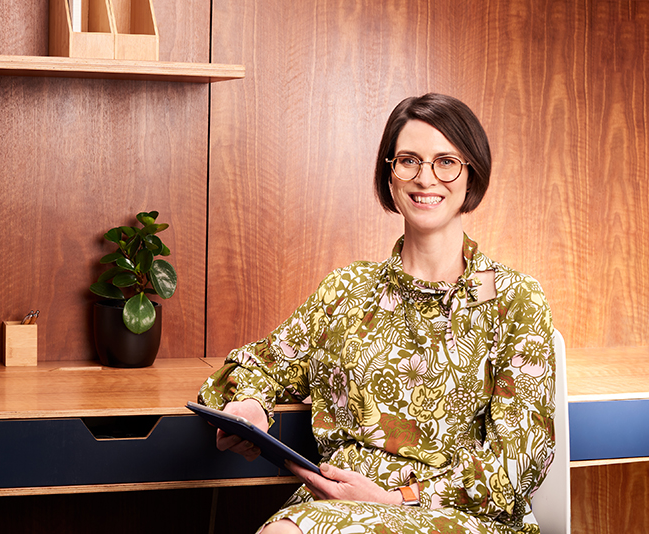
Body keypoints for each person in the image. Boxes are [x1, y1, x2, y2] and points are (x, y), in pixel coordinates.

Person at [198, 93, 555, 534]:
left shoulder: (516, 299)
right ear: (389, 173)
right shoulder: (347, 289)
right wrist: (251, 404)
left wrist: (394, 499)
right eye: (409, 161)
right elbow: (260, 363)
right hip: (330, 505)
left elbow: (521, 459)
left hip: (458, 518)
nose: (426, 179)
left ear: (471, 174)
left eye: (446, 162)